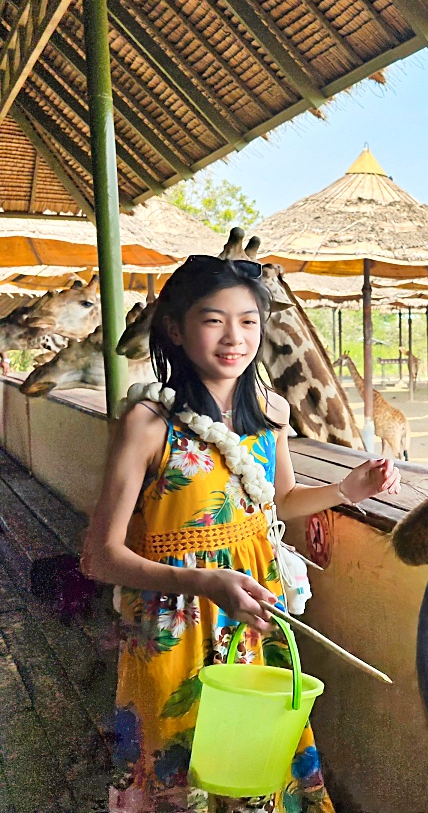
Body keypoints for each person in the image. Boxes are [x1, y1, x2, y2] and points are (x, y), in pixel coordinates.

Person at [83, 255, 401, 813]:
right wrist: (205, 582)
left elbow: (275, 500)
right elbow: (98, 557)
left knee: (253, 764)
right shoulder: (149, 422)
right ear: (176, 330)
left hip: (251, 616)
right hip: (173, 624)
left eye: (248, 321)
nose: (235, 337)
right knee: (178, 761)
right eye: (213, 320)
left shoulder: (271, 414)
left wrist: (348, 491)